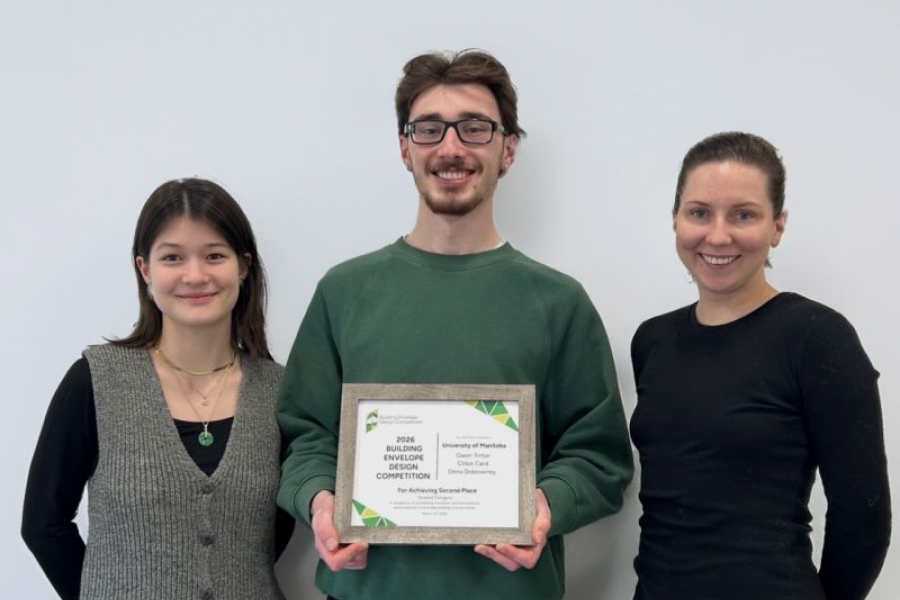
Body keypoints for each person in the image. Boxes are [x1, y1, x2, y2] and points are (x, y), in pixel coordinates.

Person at [277, 48, 633, 600]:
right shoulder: (344, 293)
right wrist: (321, 500)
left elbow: (598, 453)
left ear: (507, 148)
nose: (450, 147)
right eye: (428, 129)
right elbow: (306, 435)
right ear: (404, 148)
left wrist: (544, 507)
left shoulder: (558, 302)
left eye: (474, 129)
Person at [629, 132, 891, 600]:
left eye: (744, 214)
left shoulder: (817, 338)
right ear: (675, 220)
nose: (718, 235)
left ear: (778, 226)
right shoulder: (653, 341)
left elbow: (863, 515)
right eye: (699, 212)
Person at [22, 178, 293, 600]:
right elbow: (43, 524)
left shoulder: (279, 391)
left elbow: (274, 533)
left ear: (242, 266)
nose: (195, 275)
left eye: (214, 255)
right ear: (145, 269)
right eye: (172, 257)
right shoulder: (95, 380)